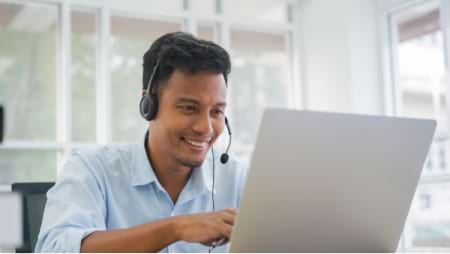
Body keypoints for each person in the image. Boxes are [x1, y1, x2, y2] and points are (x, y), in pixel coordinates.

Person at [35, 32, 247, 253]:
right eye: (189, 108)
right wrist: (176, 228)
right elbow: (55, 248)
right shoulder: (92, 169)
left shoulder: (238, 177)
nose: (206, 128)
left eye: (217, 111)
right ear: (148, 104)